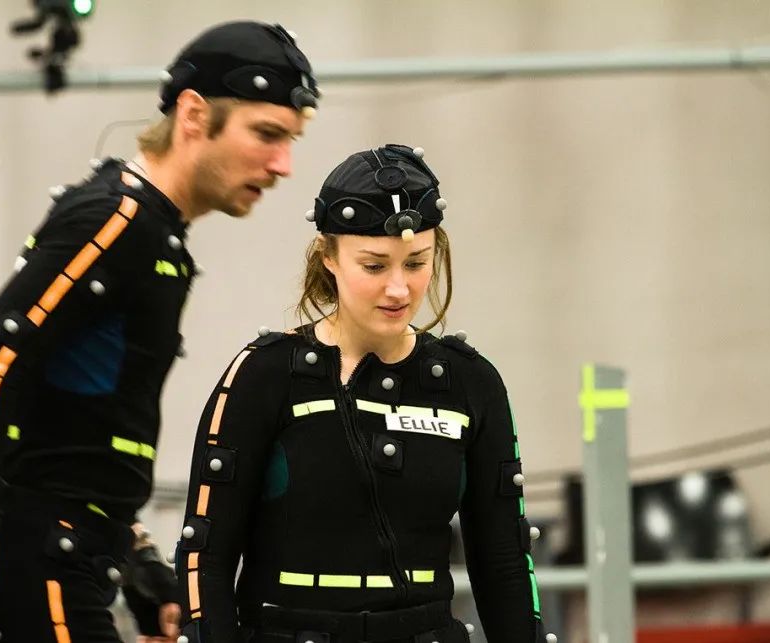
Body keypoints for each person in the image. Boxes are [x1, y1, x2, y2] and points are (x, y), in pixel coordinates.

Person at [0, 20, 320, 643]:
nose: (283, 164)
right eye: (266, 134)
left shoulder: (152, 232)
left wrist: (137, 559)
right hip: (40, 566)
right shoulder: (117, 220)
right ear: (193, 115)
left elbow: (71, 427)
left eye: (291, 140)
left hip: (70, 559)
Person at [174, 144, 547, 643]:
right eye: (374, 266)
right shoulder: (265, 375)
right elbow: (206, 556)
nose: (399, 289)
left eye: (416, 263)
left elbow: (504, 563)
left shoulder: (470, 383)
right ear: (328, 256)